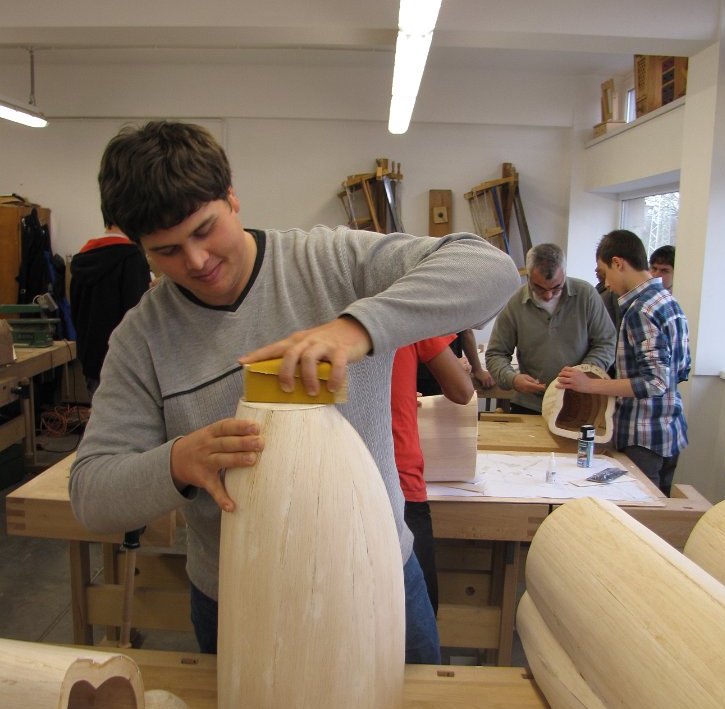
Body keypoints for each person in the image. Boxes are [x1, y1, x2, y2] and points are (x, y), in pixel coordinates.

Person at [68, 120, 517, 664]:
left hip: (375, 576)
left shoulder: (333, 261)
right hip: (239, 599)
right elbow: (91, 494)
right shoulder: (142, 337)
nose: (196, 261)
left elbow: (492, 270)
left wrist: (356, 327)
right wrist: (178, 462)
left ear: (231, 197)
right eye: (165, 251)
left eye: (205, 229)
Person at [557, 229, 690, 496]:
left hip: (643, 437)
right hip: (669, 431)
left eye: (604, 272)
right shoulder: (668, 301)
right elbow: (681, 369)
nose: (605, 283)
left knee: (638, 514)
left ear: (618, 263)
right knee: (657, 510)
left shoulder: (641, 310)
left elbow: (655, 382)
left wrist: (589, 385)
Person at [391, 336, 475, 616]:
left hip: (342, 474)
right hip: (401, 482)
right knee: (419, 621)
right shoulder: (407, 315)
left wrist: (400, 393)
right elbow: (462, 391)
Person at [484, 242, 615, 413]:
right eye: (539, 288)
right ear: (528, 276)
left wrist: (585, 372)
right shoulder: (515, 303)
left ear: (564, 274)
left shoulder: (586, 296)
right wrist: (512, 379)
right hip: (530, 404)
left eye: (556, 287)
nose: (548, 295)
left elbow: (606, 342)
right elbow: (496, 353)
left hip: (578, 401)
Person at [69, 225, 151, 399]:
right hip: (126, 367)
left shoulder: (82, 259)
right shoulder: (132, 258)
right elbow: (138, 317)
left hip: (92, 360)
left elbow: (74, 314)